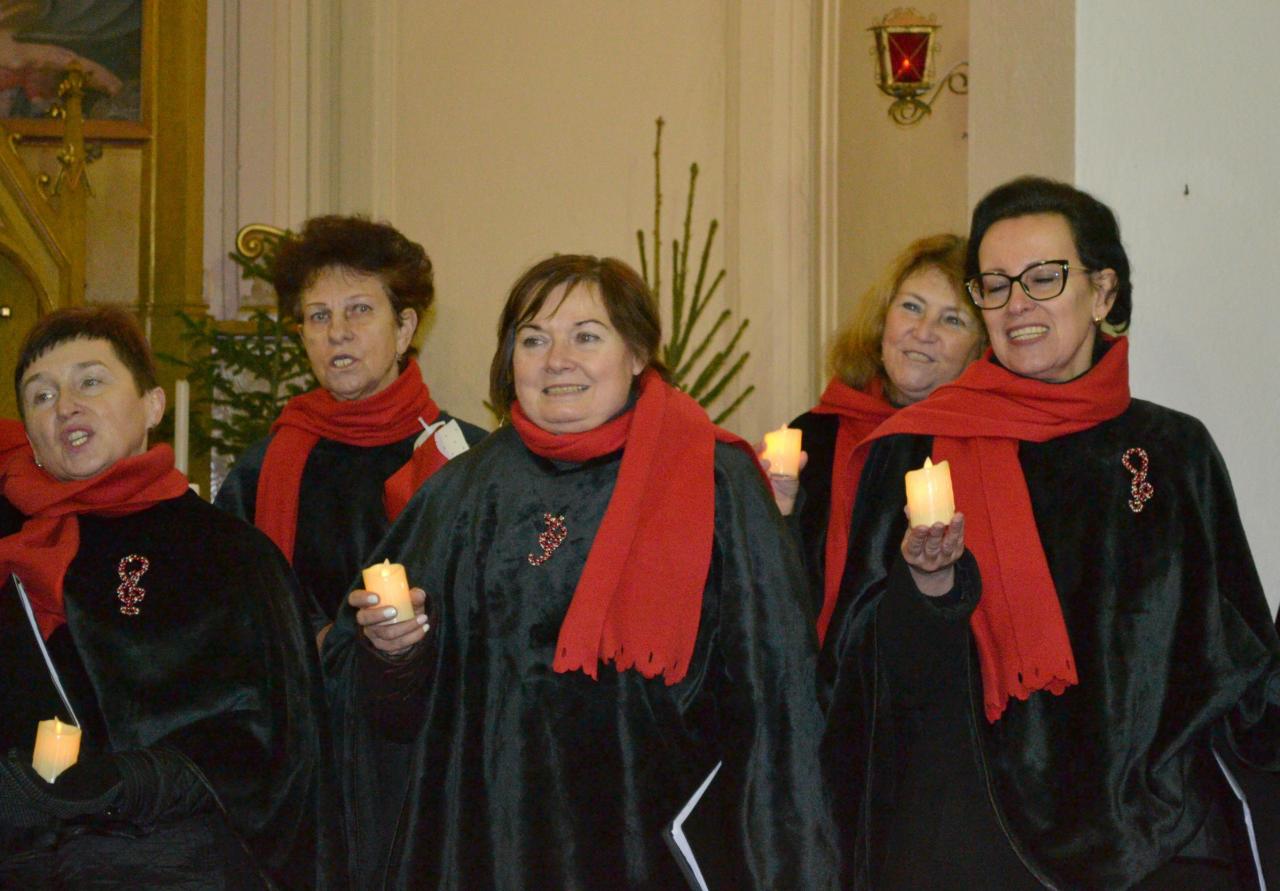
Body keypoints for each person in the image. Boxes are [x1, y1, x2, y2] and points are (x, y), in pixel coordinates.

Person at [820, 176, 1279, 889]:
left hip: (1160, 842)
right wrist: (929, 588)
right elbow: (860, 677)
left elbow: (1238, 653)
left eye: (1043, 278)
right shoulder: (914, 448)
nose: (1017, 304)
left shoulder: (1173, 450)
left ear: (1103, 292)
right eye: (995, 285)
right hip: (971, 835)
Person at [323, 254, 836, 889]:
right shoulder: (461, 492)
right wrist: (393, 652)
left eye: (586, 337)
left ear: (638, 352)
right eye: (534, 340)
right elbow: (373, 700)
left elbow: (779, 688)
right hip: (491, 835)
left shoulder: (716, 480)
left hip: (658, 838)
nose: (557, 360)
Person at [0, 306, 343, 888]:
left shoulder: (230, 553)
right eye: (41, 395)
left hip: (172, 863)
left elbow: (278, 740)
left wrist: (138, 780)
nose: (65, 406)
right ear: (30, 433)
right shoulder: (12, 546)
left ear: (153, 406)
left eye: (90, 381)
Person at [215, 214, 486, 634]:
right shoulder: (264, 468)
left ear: (404, 328)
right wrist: (319, 643)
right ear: (302, 336)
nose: (337, 333)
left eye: (359, 310)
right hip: (308, 676)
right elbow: (229, 603)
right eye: (319, 316)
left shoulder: (465, 456)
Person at [776, 234, 984, 642]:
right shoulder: (812, 436)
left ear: (979, 349)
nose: (923, 332)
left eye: (952, 320)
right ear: (882, 319)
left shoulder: (980, 450)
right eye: (911, 307)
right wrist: (771, 515)